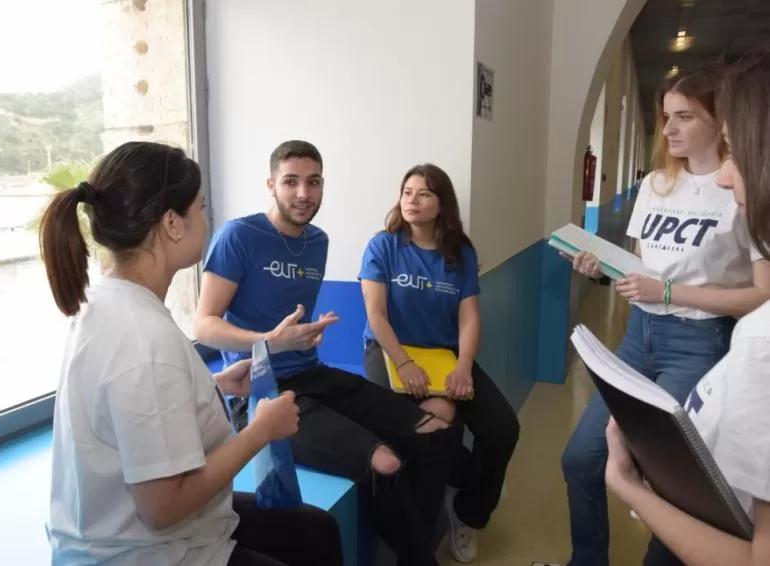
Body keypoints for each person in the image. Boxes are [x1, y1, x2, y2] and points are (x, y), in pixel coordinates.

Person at [42, 141, 342, 566]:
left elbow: (132, 403)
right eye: (200, 208)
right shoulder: (146, 340)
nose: (206, 219)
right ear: (172, 224)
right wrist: (260, 431)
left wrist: (213, 384)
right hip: (148, 553)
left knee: (317, 530)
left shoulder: (106, 303)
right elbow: (163, 508)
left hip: (131, 532)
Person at [195, 140, 458, 566]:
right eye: (291, 182)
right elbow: (204, 325)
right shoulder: (238, 236)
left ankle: (418, 546)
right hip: (261, 391)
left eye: (314, 182)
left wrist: (306, 336)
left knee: (435, 431)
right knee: (385, 463)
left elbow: (292, 319)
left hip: (314, 375)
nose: (304, 193)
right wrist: (271, 340)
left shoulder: (318, 241)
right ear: (271, 185)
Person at [561, 64, 770, 566]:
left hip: (699, 343)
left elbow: (762, 296)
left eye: (685, 117)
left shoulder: (744, 191)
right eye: (666, 117)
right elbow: (640, 268)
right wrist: (600, 270)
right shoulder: (657, 183)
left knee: (676, 486)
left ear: (720, 122)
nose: (670, 129)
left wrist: (672, 291)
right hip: (639, 335)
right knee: (581, 458)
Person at [359, 163, 519, 563]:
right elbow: (376, 316)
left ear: (442, 203)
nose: (412, 200)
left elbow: (469, 318)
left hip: (444, 357)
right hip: (388, 352)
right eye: (407, 192)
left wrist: (463, 367)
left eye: (425, 193)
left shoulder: (460, 253)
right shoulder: (383, 246)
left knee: (502, 427)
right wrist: (405, 363)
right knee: (425, 425)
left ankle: (468, 511)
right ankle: (450, 494)